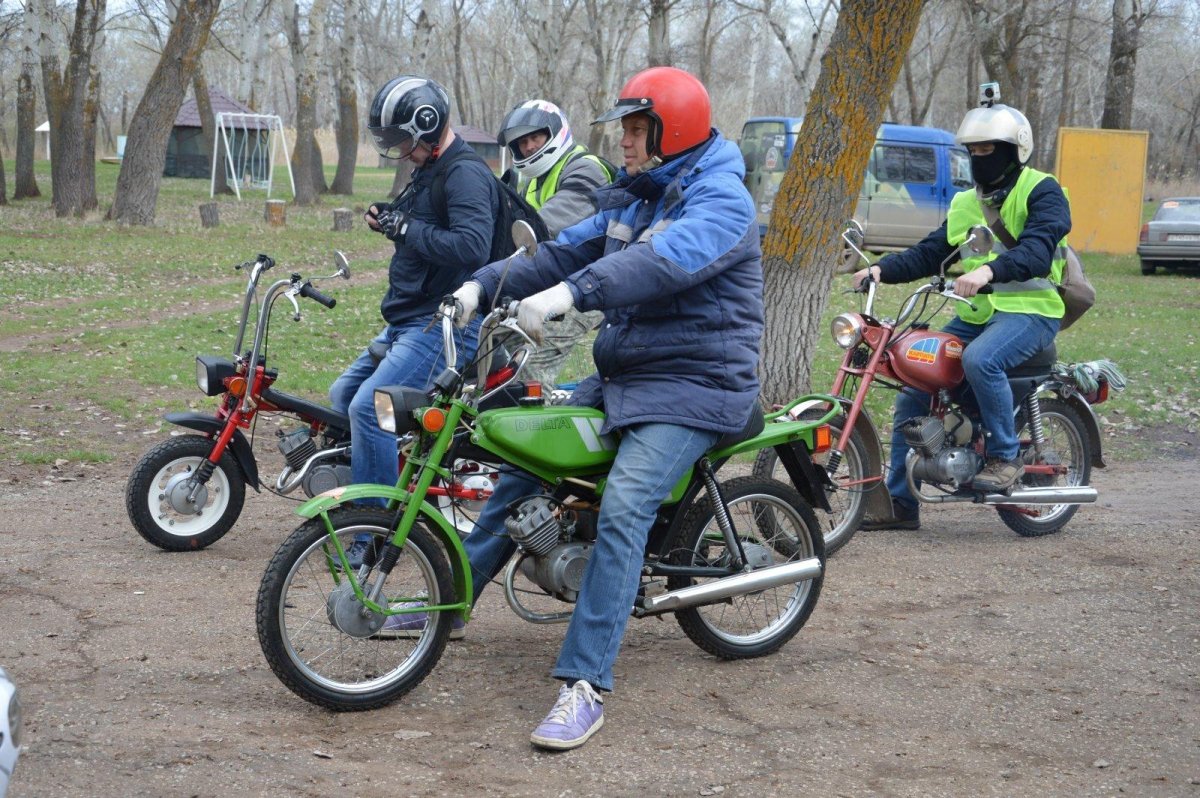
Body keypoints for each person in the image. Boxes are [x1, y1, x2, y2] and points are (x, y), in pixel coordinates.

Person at [381, 66, 763, 751]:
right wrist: (480, 285)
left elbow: (659, 266)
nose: (622, 139)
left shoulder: (720, 202)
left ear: (670, 130)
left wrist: (568, 297)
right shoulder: (637, 197)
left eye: (635, 127)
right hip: (627, 375)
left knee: (623, 507)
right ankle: (453, 598)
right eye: (622, 127)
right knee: (519, 455)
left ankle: (584, 686)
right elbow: (562, 249)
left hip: (699, 386)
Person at [853, 93, 1071, 531]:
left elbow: (1037, 250)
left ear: (1014, 150)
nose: (979, 159)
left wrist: (990, 270)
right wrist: (880, 268)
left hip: (1031, 311)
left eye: (988, 150)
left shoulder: (1043, 190)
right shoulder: (965, 202)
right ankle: (901, 504)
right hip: (976, 314)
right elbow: (933, 251)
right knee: (911, 375)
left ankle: (1005, 457)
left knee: (980, 359)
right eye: (972, 151)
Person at [329, 75, 498, 512]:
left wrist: (407, 228)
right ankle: (387, 489)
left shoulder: (465, 174)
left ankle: (371, 528)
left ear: (428, 125)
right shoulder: (430, 169)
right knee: (343, 396)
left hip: (446, 322)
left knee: (370, 408)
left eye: (404, 140)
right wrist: (392, 219)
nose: (401, 150)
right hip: (410, 318)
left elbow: (471, 246)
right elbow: (425, 229)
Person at [495, 99, 615, 387]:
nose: (528, 147)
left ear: (554, 133)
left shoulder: (586, 170)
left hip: (588, 288)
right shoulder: (533, 181)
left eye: (535, 137)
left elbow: (545, 228)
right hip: (548, 282)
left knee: (527, 368)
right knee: (488, 348)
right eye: (521, 143)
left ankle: (530, 425)